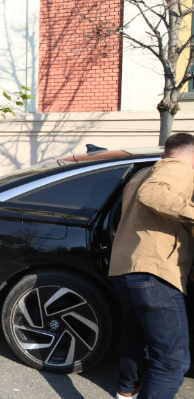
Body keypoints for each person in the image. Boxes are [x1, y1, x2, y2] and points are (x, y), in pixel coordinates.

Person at [109, 132, 194, 399]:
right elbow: (153, 194)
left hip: (125, 268)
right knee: (172, 362)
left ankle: (126, 391)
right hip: (155, 271)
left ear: (163, 153)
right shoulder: (178, 168)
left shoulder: (140, 174)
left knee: (133, 333)